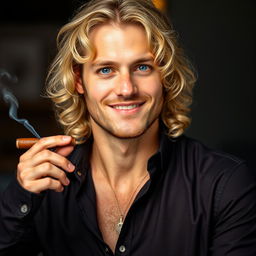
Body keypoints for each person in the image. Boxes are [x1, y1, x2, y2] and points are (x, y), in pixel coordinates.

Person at [1, 0, 256, 255]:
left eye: (143, 67)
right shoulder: (43, 188)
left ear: (165, 76)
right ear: (79, 81)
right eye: (106, 70)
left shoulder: (225, 186)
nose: (126, 89)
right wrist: (19, 198)